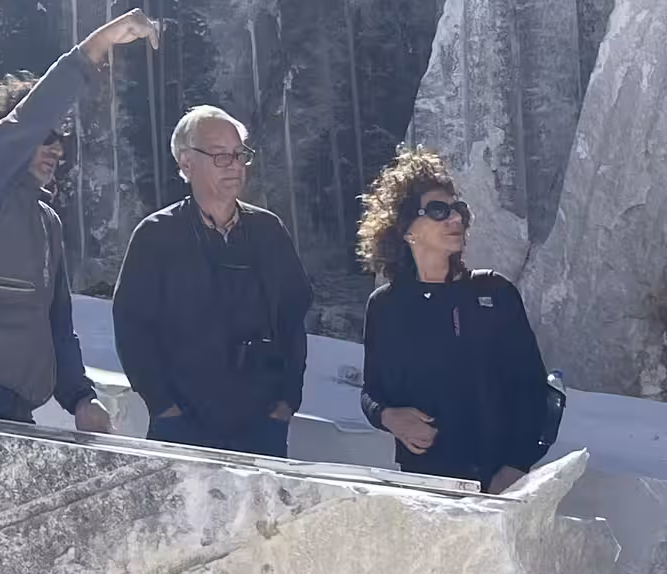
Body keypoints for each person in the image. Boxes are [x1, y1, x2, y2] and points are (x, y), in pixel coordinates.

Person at [0, 9, 160, 430]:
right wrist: (94, 49)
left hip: (14, 406)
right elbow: (27, 120)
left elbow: (56, 324)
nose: (56, 148)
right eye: (46, 135)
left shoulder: (45, 222)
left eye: (61, 138)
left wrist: (80, 398)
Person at [111, 106, 313, 455]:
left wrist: (285, 403)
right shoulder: (156, 235)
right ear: (186, 164)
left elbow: (293, 317)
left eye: (239, 155)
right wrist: (163, 407)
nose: (234, 165)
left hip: (261, 424)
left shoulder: (268, 232)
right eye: (220, 156)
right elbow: (132, 327)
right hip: (182, 423)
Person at [356, 148, 557, 493]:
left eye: (458, 209)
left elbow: (537, 395)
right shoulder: (385, 305)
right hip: (422, 486)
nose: (455, 219)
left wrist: (514, 468)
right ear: (406, 230)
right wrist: (387, 417)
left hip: (497, 483)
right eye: (439, 211)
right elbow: (373, 392)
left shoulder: (494, 294)